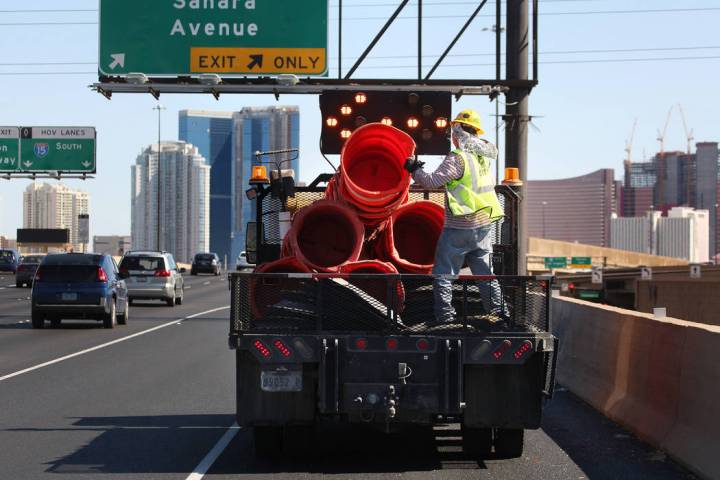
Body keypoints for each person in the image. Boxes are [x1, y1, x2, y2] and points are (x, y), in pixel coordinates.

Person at [405, 109, 505, 324]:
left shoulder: (458, 158)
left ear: (458, 133)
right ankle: (498, 315)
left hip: (460, 226)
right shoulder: (482, 158)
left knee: (444, 273)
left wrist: (414, 170)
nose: (451, 137)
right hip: (483, 226)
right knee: (486, 275)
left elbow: (432, 182)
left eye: (453, 132)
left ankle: (445, 318)